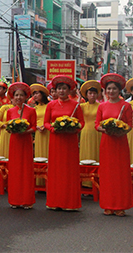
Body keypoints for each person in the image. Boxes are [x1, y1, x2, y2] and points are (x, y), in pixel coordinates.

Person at [43, 75, 84, 211]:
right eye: (59, 89)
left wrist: (74, 129)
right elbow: (46, 123)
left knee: (69, 169)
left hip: (70, 140)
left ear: (69, 90)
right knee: (56, 170)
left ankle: (70, 202)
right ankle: (54, 201)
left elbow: (81, 122)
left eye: (64, 88)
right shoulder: (51, 105)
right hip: (56, 140)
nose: (61, 91)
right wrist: (53, 129)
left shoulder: (75, 105)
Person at [96, 73, 133, 217]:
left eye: (114, 89)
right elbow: (97, 124)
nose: (111, 92)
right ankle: (108, 204)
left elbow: (129, 125)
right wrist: (106, 129)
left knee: (120, 174)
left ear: (119, 90)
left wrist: (120, 131)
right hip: (106, 142)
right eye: (108, 89)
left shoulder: (126, 106)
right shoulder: (102, 106)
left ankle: (121, 205)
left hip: (120, 142)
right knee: (107, 174)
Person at [6, 83, 37, 209]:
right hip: (14, 141)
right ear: (13, 98)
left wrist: (25, 131)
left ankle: (26, 200)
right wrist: (12, 129)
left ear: (25, 97)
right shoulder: (9, 111)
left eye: (21, 95)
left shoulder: (31, 110)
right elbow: (8, 127)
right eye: (16, 95)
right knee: (14, 169)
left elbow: (34, 127)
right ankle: (14, 199)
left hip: (25, 141)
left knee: (26, 169)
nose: (18, 98)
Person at [30, 84, 50, 187]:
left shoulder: (49, 106)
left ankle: (49, 180)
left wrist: (46, 126)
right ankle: (39, 182)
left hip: (48, 132)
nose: (35, 96)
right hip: (38, 132)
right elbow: (32, 121)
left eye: (37, 93)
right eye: (34, 94)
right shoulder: (34, 108)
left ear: (43, 94)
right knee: (39, 155)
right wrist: (36, 126)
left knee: (48, 154)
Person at [79, 80, 102, 162]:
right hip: (86, 131)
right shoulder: (82, 106)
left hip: (97, 131)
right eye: (90, 93)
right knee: (86, 150)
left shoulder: (101, 106)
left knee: (97, 150)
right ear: (86, 95)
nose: (92, 95)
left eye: (94, 93)